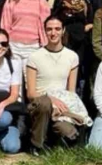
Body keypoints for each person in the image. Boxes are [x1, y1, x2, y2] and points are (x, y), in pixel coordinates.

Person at [26, 16, 81, 153]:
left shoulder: (72, 57)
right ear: (45, 31)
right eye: (49, 29)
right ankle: (36, 145)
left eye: (57, 29)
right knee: (45, 104)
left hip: (61, 108)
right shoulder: (35, 57)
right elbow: (31, 93)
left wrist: (65, 110)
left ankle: (51, 139)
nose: (53, 33)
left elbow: (71, 92)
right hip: (40, 104)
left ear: (63, 31)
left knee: (70, 133)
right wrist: (51, 99)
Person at [55, 0, 93, 102]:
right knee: (63, 75)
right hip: (65, 43)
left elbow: (92, 21)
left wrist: (86, 27)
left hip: (81, 45)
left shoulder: (85, 3)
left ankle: (79, 102)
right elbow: (54, 21)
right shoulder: (60, 3)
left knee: (79, 76)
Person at [1, 0, 51, 65]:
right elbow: (5, 23)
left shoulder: (40, 1)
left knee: (31, 79)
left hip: (33, 47)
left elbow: (45, 24)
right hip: (14, 46)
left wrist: (45, 44)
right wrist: (6, 43)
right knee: (15, 79)